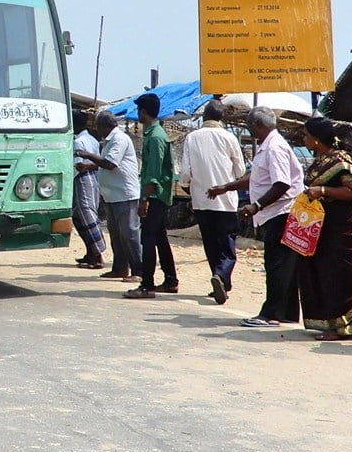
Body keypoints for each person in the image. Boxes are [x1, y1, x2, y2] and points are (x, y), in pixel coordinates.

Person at [211, 106, 302, 327]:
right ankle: (286, 312)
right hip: (274, 212)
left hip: (281, 211)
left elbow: (282, 183)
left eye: (251, 126)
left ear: (258, 125)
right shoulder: (268, 146)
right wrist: (227, 187)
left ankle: (271, 313)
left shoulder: (274, 147)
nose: (250, 131)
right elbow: (257, 178)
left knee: (276, 264)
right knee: (283, 264)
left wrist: (256, 205)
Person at [293, 117, 352, 338]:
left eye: (307, 136)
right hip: (324, 226)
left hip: (344, 227)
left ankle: (343, 326)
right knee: (324, 273)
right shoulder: (321, 159)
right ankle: (331, 322)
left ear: (317, 140)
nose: (304, 139)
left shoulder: (340, 161)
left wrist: (323, 191)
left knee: (340, 275)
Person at [180, 99, 246, 303]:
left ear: (203, 117)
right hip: (225, 199)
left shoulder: (192, 138)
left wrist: (189, 187)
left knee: (210, 242)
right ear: (222, 118)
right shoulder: (229, 138)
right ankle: (221, 275)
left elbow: (184, 173)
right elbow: (241, 171)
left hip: (201, 199)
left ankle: (220, 278)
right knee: (227, 242)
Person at [124, 93, 179, 298]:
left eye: (139, 110)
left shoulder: (155, 138)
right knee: (159, 238)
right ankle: (171, 280)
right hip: (159, 195)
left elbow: (153, 174)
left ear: (144, 112)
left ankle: (147, 284)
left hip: (154, 196)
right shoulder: (155, 134)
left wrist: (144, 200)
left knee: (147, 239)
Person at [88, 111, 142, 282]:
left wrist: (87, 155)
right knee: (116, 234)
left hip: (124, 193)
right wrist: (89, 166)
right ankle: (120, 268)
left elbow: (110, 164)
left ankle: (138, 271)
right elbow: (104, 165)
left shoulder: (119, 139)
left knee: (129, 234)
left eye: (98, 126)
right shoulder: (109, 141)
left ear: (106, 126)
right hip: (112, 194)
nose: (97, 129)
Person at [71, 111, 107, 269]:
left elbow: (79, 166)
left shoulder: (78, 142)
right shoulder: (92, 139)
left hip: (83, 179)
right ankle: (90, 252)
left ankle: (97, 254)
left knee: (87, 214)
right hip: (94, 178)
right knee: (80, 216)